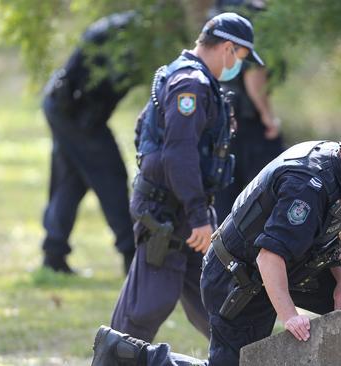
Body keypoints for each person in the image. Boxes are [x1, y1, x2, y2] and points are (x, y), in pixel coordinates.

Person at [91, 138, 341, 366]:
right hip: (237, 276)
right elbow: (268, 256)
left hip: (289, 267)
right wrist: (290, 316)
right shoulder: (306, 184)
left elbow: (328, 230)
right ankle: (131, 355)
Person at [109, 12, 264, 343]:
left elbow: (146, 131)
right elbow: (178, 154)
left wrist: (199, 212)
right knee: (148, 305)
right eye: (241, 58)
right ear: (227, 49)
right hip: (167, 213)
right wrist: (197, 215)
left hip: (187, 209)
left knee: (217, 302)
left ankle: (239, 356)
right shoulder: (190, 84)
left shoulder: (188, 77)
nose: (239, 66)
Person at [40, 11, 140, 274]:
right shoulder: (127, 35)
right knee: (110, 175)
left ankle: (54, 253)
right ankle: (131, 255)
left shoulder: (126, 29)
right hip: (75, 113)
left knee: (71, 179)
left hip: (70, 110)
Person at [210, 0, 285, 224]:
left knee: (222, 199)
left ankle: (218, 256)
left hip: (218, 116)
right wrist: (267, 115)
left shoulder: (218, 13)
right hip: (247, 121)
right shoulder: (253, 16)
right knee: (268, 198)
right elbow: (254, 72)